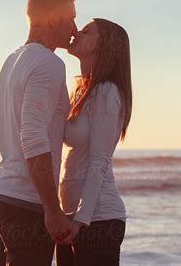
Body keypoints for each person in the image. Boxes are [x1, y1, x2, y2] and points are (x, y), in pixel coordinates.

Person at [0, 0, 78, 266]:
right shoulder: (49, 63)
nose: (75, 27)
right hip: (25, 204)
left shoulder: (11, 61)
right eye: (71, 18)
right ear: (53, 19)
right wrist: (52, 208)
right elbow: (33, 136)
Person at [55, 18, 132, 266]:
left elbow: (99, 161)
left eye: (86, 31)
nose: (77, 32)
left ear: (104, 46)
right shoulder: (80, 90)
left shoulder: (107, 92)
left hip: (98, 219)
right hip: (71, 216)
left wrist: (81, 220)